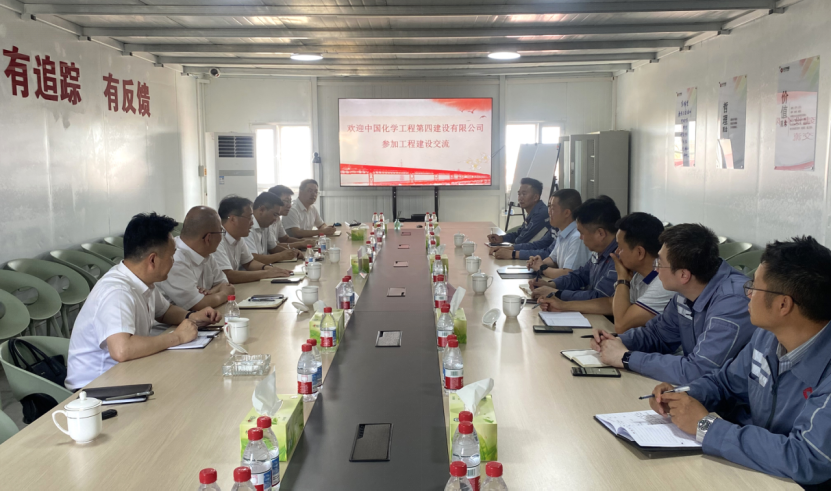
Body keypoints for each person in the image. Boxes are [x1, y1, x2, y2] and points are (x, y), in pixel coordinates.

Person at [648, 237, 831, 486]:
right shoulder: (767, 336)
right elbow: (725, 383)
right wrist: (681, 395)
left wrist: (706, 426)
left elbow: (806, 458)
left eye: (754, 287)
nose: (748, 294)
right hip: (760, 471)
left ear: (783, 304)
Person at [65, 213, 221, 390]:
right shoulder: (117, 291)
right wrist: (177, 337)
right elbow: (122, 350)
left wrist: (192, 317)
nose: (173, 261)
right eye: (171, 256)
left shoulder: (140, 280)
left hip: (125, 374)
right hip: (95, 389)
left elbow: (165, 311)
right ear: (152, 260)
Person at [591, 223, 756, 385]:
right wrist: (614, 340)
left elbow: (698, 371)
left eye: (660, 263)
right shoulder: (688, 288)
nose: (656, 270)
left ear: (684, 275)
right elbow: (659, 335)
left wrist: (626, 358)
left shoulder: (732, 302)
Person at [539, 212, 672, 324]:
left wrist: (622, 279)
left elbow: (622, 324)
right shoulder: (640, 275)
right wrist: (562, 305)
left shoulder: (661, 284)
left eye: (621, 248)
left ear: (639, 253)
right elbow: (610, 304)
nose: (617, 252)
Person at [532, 197, 620, 309]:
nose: (581, 238)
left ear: (600, 234)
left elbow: (600, 297)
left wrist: (557, 293)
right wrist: (551, 284)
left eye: (582, 233)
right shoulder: (599, 251)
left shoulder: (619, 258)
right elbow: (580, 276)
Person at [157, 206, 235, 310]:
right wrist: (224, 294)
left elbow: (224, 284)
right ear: (208, 238)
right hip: (176, 320)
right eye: (221, 232)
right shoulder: (174, 259)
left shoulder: (206, 254)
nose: (222, 237)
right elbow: (196, 305)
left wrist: (210, 293)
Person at [214, 196, 292, 284]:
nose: (252, 222)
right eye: (249, 218)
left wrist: (269, 269)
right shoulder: (217, 239)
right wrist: (266, 273)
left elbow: (249, 262)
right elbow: (228, 275)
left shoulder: (238, 238)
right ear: (233, 219)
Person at [525, 189, 589, 280]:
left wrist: (542, 268)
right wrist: (537, 262)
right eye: (549, 207)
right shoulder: (562, 232)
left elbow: (568, 274)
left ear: (566, 213)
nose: (549, 212)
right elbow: (553, 260)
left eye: (553, 208)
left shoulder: (577, 237)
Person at [244, 191, 303, 264]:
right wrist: (281, 255)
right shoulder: (247, 226)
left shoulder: (265, 224)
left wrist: (292, 252)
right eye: (275, 214)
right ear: (262, 209)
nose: (275, 219)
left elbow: (273, 248)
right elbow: (253, 258)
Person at [487, 178, 549, 245]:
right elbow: (519, 233)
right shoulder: (533, 211)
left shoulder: (541, 214)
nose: (520, 198)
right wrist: (501, 238)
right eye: (519, 194)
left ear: (536, 197)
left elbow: (522, 240)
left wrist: (510, 247)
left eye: (524, 194)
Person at [266, 184, 317, 249]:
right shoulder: (267, 221)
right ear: (274, 201)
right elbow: (274, 247)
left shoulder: (277, 218)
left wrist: (304, 241)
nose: (289, 205)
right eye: (286, 201)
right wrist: (301, 244)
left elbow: (285, 239)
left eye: (290, 201)